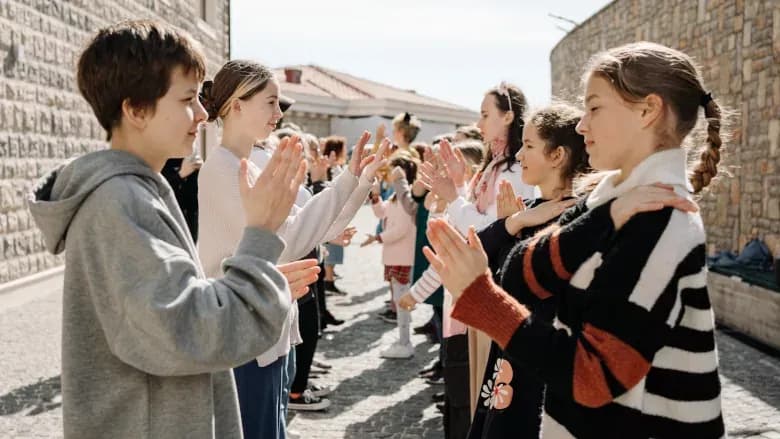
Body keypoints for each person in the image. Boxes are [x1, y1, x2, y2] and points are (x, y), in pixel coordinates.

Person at [27, 20, 315, 439]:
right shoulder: (119, 203)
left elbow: (173, 309)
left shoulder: (138, 192)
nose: (201, 113)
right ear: (136, 109)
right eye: (186, 99)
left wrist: (261, 281)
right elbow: (191, 334)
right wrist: (259, 240)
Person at [425, 42, 725, 438]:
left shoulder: (661, 219)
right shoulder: (614, 202)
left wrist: (482, 299)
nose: (582, 125)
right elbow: (516, 273)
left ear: (647, 110)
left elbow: (591, 378)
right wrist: (601, 219)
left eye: (595, 107)